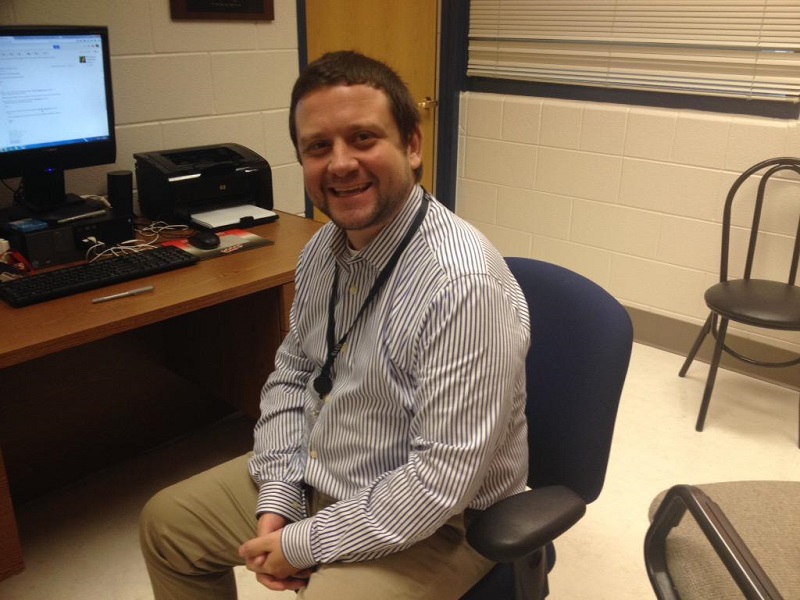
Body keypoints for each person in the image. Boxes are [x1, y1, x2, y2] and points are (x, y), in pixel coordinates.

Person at [139, 50, 530, 600]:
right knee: (168, 524)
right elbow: (293, 377)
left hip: (446, 521)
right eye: (318, 147)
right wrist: (278, 500)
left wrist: (302, 544)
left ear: (412, 146)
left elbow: (442, 478)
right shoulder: (323, 249)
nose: (340, 163)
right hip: (331, 469)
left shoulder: (462, 285)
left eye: (364, 138)